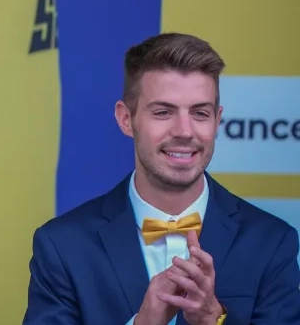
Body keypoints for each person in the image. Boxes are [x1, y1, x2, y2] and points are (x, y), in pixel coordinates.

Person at [22, 32, 300, 325]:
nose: (184, 131)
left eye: (200, 113)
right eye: (164, 112)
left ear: (217, 120)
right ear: (126, 119)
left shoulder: (272, 242)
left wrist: (213, 319)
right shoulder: (63, 246)